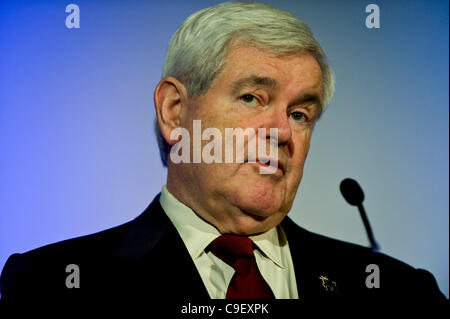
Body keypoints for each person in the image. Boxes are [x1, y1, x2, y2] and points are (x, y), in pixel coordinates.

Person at [0, 1, 446, 311]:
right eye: (252, 97)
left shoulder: (401, 290)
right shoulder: (49, 284)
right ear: (175, 111)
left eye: (299, 112)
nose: (281, 132)